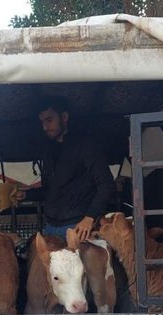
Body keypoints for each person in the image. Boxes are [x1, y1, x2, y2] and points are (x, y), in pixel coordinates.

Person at [35, 96, 116, 241]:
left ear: (64, 117)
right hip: (50, 226)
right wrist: (25, 195)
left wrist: (90, 217)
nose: (45, 127)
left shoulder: (87, 145)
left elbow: (107, 184)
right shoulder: (48, 150)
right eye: (42, 122)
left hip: (78, 226)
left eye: (49, 120)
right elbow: (49, 190)